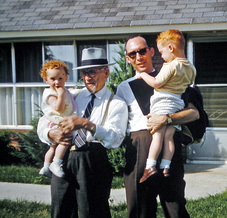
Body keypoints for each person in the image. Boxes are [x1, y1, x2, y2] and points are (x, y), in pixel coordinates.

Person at [37, 47, 128, 218]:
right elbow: (43, 122)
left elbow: (115, 139)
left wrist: (86, 124)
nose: (87, 78)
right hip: (63, 159)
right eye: (84, 73)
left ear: (106, 72)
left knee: (92, 210)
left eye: (92, 72)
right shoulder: (72, 95)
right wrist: (50, 134)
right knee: (61, 209)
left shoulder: (116, 104)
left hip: (92, 159)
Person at [116, 35, 199, 218]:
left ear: (151, 51)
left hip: (169, 144)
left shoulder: (173, 73)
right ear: (128, 59)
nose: (138, 56)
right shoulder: (124, 88)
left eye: (142, 51)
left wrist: (167, 119)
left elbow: (194, 113)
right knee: (140, 207)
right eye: (132, 54)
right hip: (139, 147)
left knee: (174, 205)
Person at [137, 29, 196, 183]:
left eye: (162, 52)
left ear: (171, 48)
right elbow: (188, 84)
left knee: (157, 135)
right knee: (169, 136)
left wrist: (142, 74)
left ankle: (150, 166)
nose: (161, 56)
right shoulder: (191, 68)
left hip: (162, 102)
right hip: (177, 103)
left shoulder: (170, 66)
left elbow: (157, 82)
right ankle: (166, 166)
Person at [39, 60, 77, 178]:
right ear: (46, 80)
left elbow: (69, 97)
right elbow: (59, 108)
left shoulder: (64, 90)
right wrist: (60, 95)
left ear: (66, 77)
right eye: (53, 79)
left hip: (60, 120)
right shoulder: (51, 94)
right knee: (64, 142)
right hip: (58, 122)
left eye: (60, 78)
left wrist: (66, 93)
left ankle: (45, 167)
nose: (57, 82)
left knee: (53, 146)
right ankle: (56, 163)